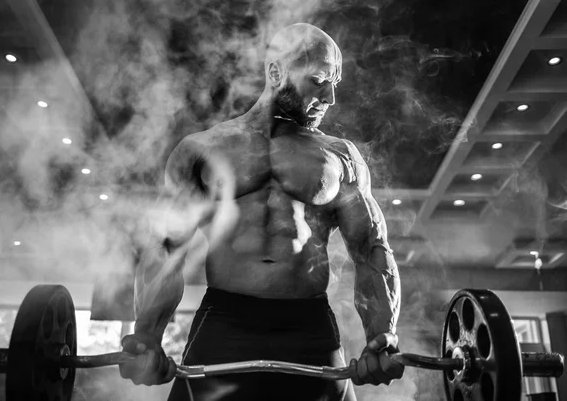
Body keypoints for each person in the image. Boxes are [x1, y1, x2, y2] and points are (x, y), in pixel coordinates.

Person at [119, 23, 404, 401]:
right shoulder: (202, 150)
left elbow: (371, 249)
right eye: (319, 80)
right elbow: (166, 247)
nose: (331, 97)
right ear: (276, 73)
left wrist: (381, 335)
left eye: (335, 83)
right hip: (225, 322)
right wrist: (147, 337)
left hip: (309, 327)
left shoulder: (341, 157)